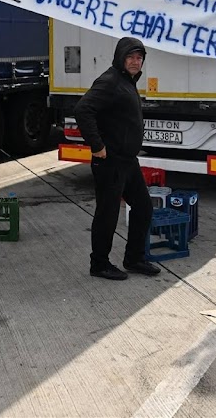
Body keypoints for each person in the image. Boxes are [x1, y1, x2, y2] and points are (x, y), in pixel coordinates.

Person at [74, 37, 160, 280]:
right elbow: (83, 109)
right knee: (107, 213)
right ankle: (99, 264)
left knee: (143, 207)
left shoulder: (127, 81)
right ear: (120, 58)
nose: (135, 62)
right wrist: (97, 145)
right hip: (110, 161)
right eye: (131, 57)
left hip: (127, 160)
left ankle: (134, 258)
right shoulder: (110, 81)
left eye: (139, 58)